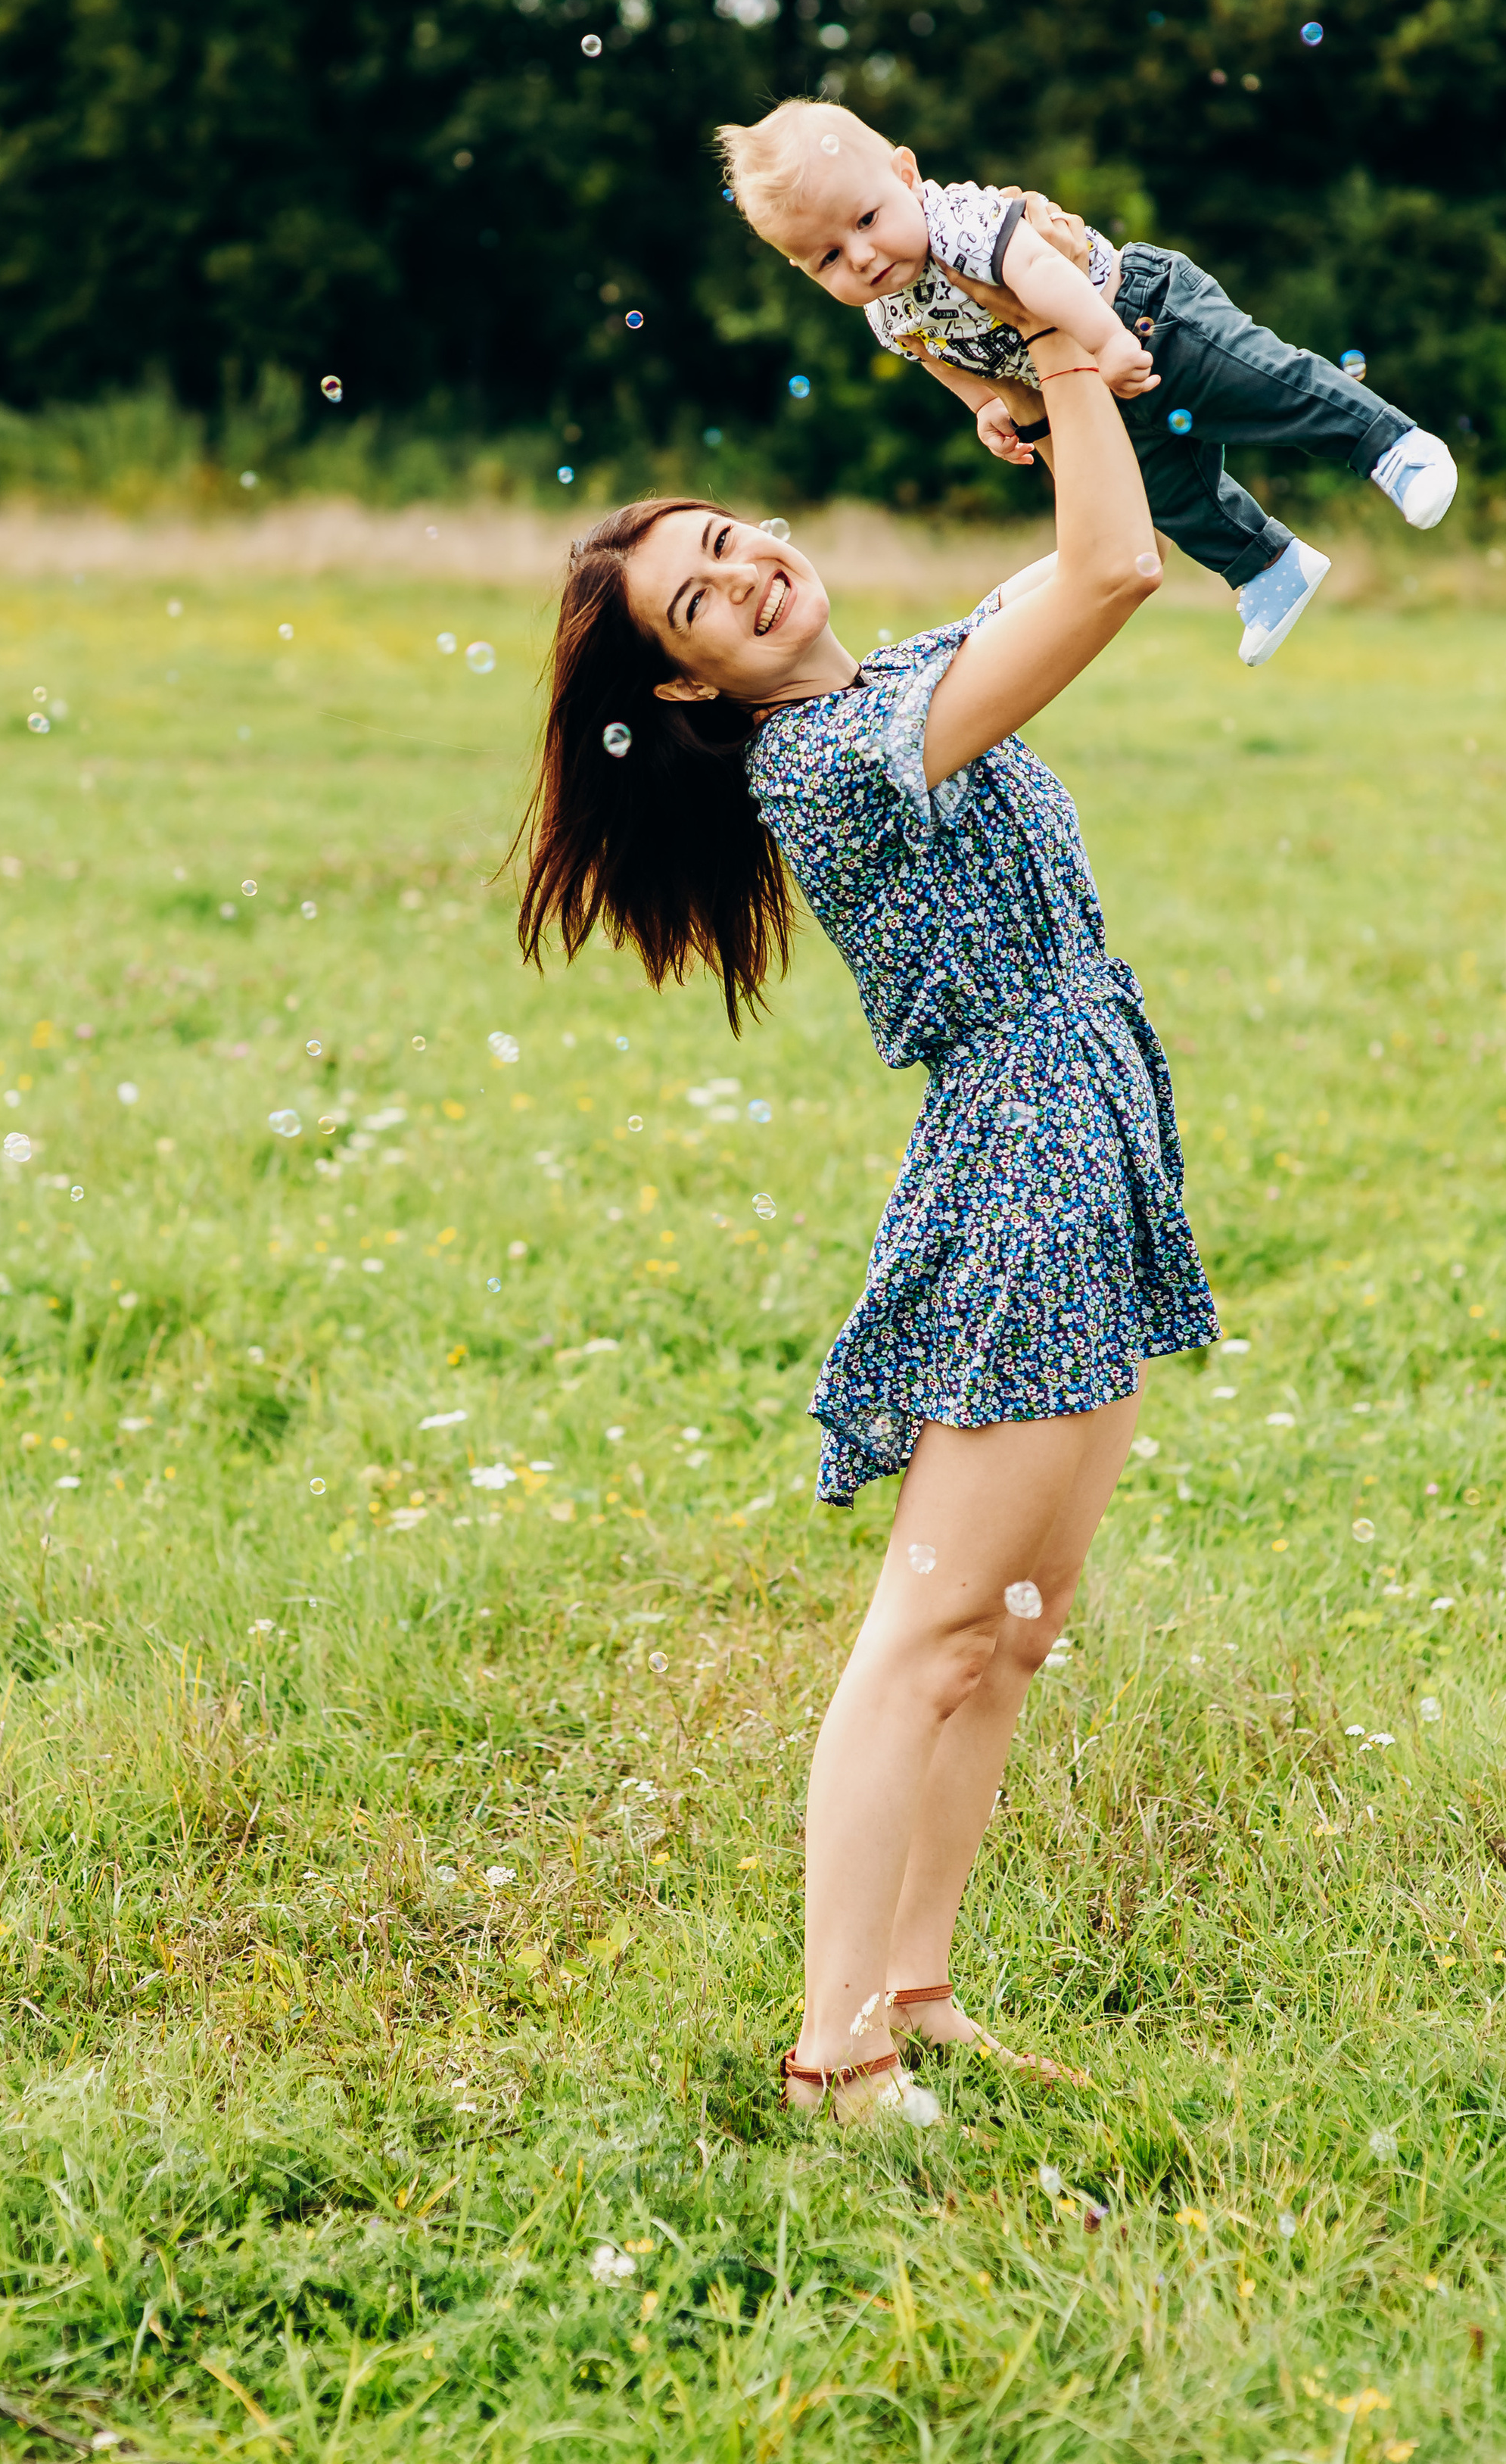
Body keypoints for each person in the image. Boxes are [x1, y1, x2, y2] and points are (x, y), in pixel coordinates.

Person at [515, 268, 1221, 2124]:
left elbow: (1068, 544)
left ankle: (917, 1984)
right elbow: (1109, 575)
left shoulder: (894, 675)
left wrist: (1023, 394)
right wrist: (1067, 349)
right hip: (1014, 1156)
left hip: (1085, 1117)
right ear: (683, 678)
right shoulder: (826, 760)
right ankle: (834, 2048)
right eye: (696, 597)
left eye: (734, 539)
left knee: (1012, 1619)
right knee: (923, 1624)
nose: (745, 572)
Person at [717, 97, 1460, 668]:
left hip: (1143, 314)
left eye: (867, 219)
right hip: (1086, 380)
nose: (861, 257)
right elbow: (936, 354)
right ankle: (1265, 564)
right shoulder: (886, 312)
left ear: (906, 175)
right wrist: (984, 407)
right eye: (825, 259)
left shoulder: (959, 225)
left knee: (1264, 386)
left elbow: (1041, 271)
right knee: (1167, 494)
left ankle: (1392, 446)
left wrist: (1105, 339)